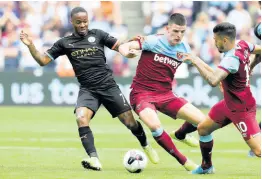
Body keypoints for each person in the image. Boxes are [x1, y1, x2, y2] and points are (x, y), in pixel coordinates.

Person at [19, 7, 159, 171]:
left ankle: (146, 145)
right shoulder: (64, 43)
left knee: (130, 122)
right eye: (79, 22)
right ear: (72, 22)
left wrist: (130, 47)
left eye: (85, 21)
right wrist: (30, 46)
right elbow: (43, 61)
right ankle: (94, 159)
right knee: (81, 118)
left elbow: (120, 46)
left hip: (108, 86)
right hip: (88, 90)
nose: (83, 25)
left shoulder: (98, 35)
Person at [119, 13, 212, 171]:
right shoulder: (154, 40)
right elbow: (125, 46)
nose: (179, 35)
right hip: (142, 94)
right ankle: (185, 162)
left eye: (182, 32)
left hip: (166, 94)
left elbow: (199, 63)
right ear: (167, 29)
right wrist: (126, 52)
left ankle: (181, 134)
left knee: (204, 122)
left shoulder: (184, 48)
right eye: (175, 31)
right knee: (155, 126)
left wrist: (220, 79)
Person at [182, 22, 261, 174]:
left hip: (241, 108)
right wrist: (252, 65)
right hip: (228, 104)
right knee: (203, 129)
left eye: (215, 39)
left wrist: (196, 61)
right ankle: (207, 167)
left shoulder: (231, 59)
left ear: (224, 40)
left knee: (258, 151)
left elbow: (213, 81)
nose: (214, 42)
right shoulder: (242, 44)